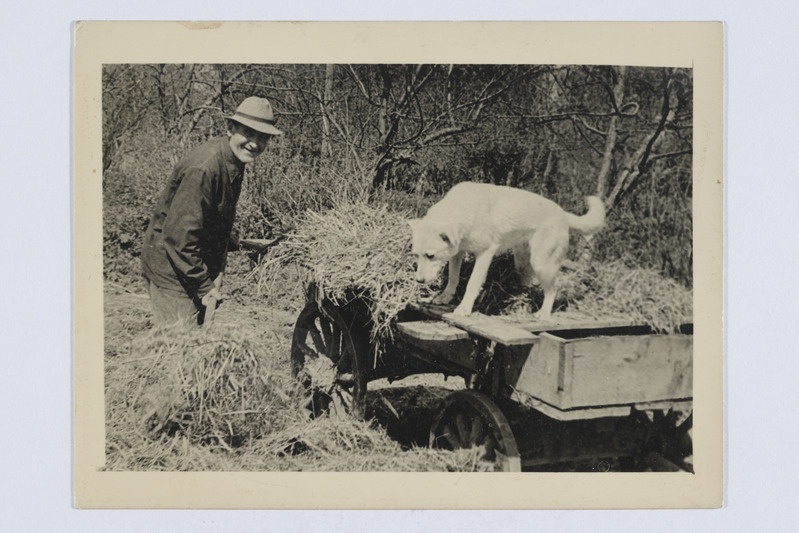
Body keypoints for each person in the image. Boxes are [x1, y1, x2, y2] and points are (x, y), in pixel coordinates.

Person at [141, 96, 283, 326]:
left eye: (263, 137)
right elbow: (179, 237)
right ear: (230, 128)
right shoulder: (205, 168)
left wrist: (229, 246)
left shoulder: (234, 160)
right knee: (178, 350)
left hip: (191, 264)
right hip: (172, 270)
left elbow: (209, 216)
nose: (255, 143)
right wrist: (205, 286)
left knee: (193, 343)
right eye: (248, 133)